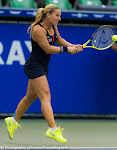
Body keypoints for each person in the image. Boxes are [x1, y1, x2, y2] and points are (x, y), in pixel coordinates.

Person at [4, 4, 83, 143]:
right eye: (57, 15)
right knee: (45, 95)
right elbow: (47, 49)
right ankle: (53, 129)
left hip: (43, 66)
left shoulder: (53, 26)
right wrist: (66, 50)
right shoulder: (37, 29)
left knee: (30, 97)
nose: (60, 18)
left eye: (60, 15)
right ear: (48, 15)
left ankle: (12, 121)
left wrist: (73, 46)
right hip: (33, 66)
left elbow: (58, 40)